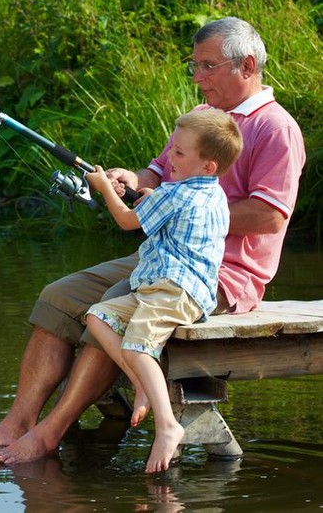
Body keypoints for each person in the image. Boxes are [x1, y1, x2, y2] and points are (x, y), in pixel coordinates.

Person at [0, 16, 306, 467]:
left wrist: (180, 210)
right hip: (158, 260)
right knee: (58, 297)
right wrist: (128, 179)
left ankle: (48, 434)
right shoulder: (199, 118)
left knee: (117, 313)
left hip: (220, 276)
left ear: (247, 65)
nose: (197, 77)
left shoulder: (277, 129)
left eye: (208, 66)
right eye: (194, 65)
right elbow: (159, 173)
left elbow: (271, 216)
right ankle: (17, 422)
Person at [83, 110, 243, 473]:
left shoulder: (173, 195)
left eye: (180, 153)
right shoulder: (213, 194)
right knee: (98, 316)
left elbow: (126, 220)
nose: (170, 157)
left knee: (136, 346)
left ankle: (168, 425)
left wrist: (105, 187)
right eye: (173, 149)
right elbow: (174, 213)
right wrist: (152, 197)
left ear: (208, 165)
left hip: (172, 290)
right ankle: (143, 383)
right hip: (181, 291)